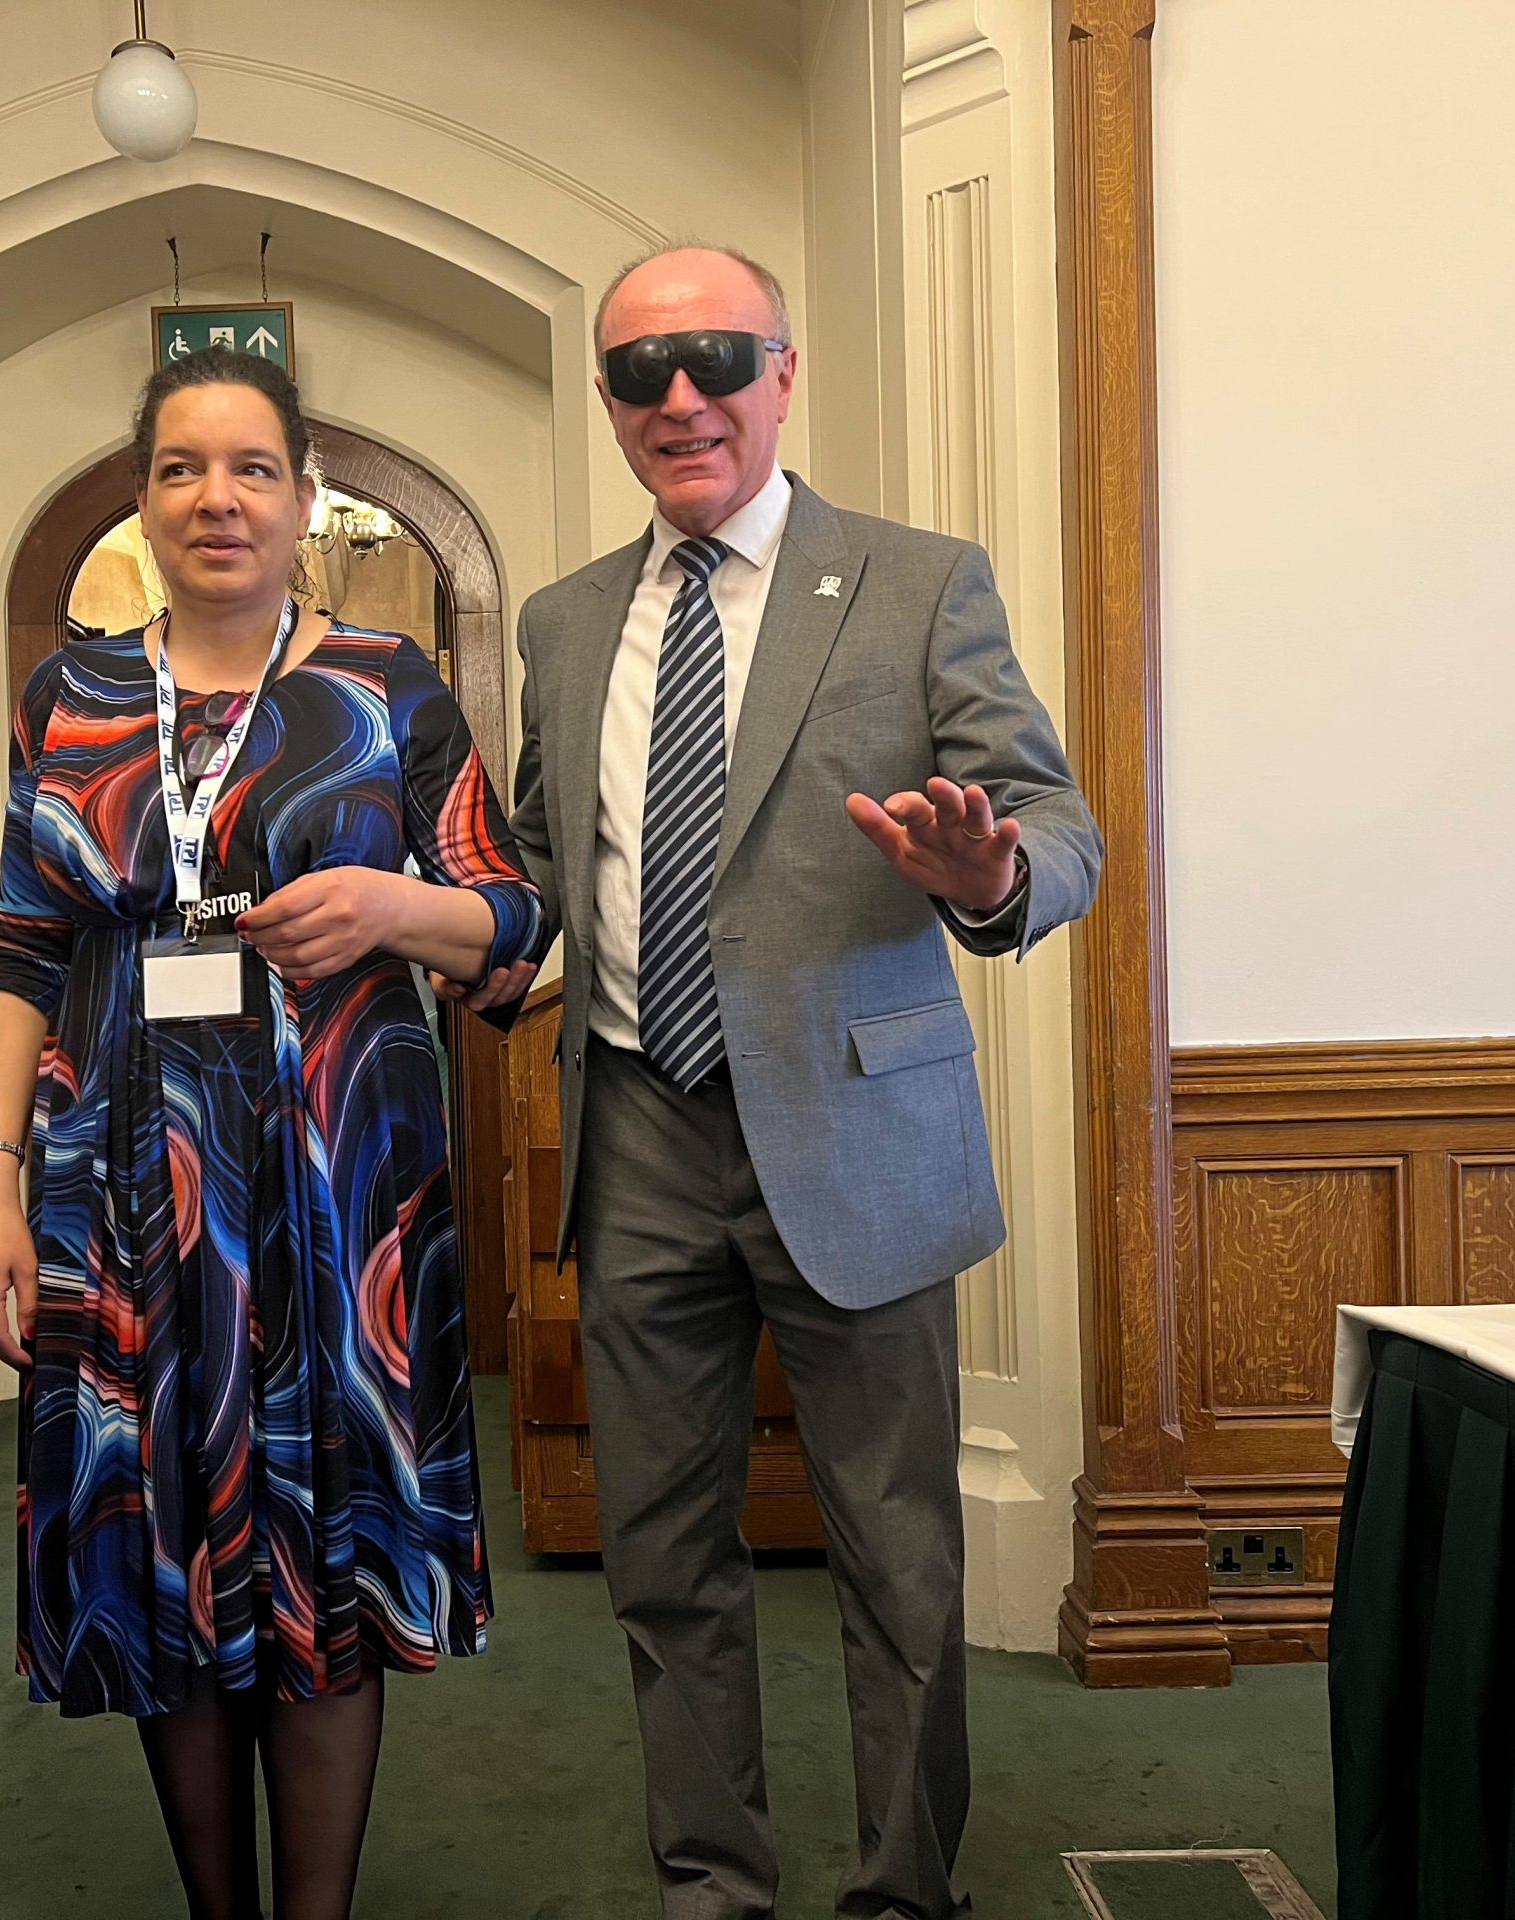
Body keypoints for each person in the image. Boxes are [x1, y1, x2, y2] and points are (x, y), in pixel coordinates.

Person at [443, 246, 1102, 1919]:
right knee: (663, 1558)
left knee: (896, 1559)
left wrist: (985, 877)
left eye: (716, 356)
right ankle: (711, 1888)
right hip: (637, 1129)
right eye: (639, 370)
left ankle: (901, 1894)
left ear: (782, 374)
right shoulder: (563, 620)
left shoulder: (915, 581)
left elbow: (1058, 829)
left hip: (858, 1135)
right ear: (609, 403)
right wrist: (449, 928)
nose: (681, 397)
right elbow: (544, 864)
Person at [0, 346, 546, 1920]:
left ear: (304, 496)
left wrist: (391, 904)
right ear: (140, 500)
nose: (216, 498)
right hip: (119, 1186)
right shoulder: (69, 694)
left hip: (340, 1196)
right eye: (178, 469)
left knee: (324, 1550)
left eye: (253, 468)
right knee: (168, 1544)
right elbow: (23, 942)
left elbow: (513, 918)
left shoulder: (385, 683)